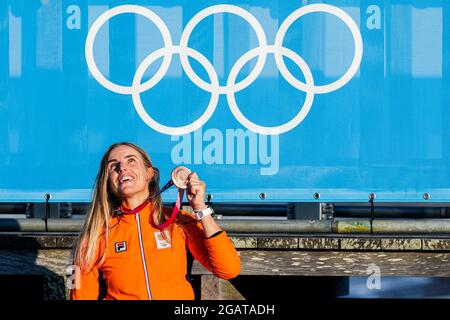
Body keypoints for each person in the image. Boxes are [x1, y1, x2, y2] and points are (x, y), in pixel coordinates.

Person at [70, 142, 240, 300]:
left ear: (149, 173)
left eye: (131, 161)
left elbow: (228, 269)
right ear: (107, 181)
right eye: (113, 166)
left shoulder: (178, 222)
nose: (122, 168)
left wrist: (200, 208)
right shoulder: (93, 236)